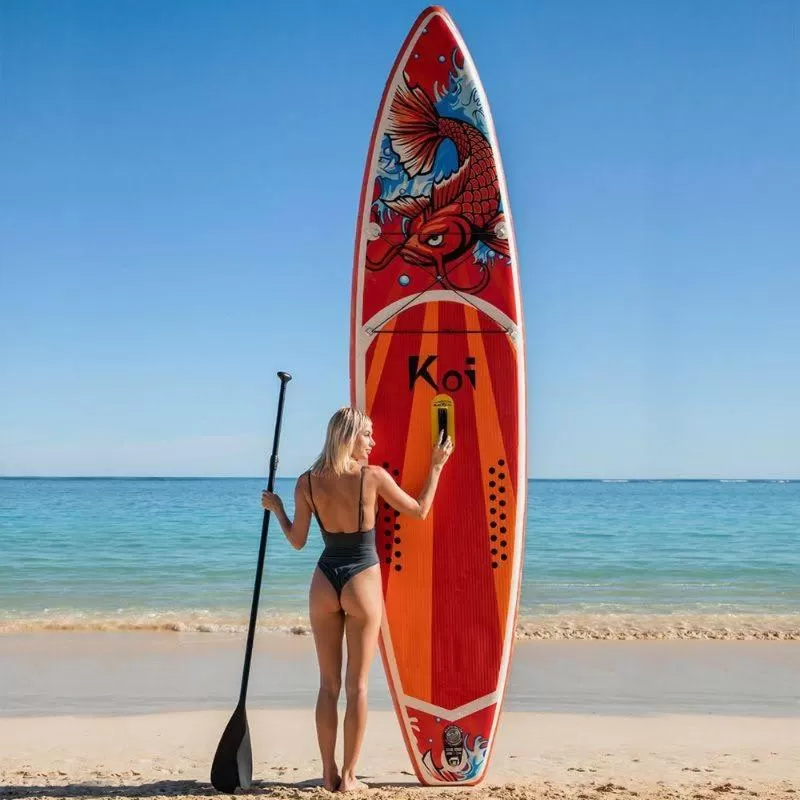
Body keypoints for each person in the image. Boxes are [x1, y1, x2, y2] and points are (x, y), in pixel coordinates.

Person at [261, 407, 453, 792]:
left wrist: (278, 509)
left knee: (327, 686)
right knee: (357, 688)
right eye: (368, 434)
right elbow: (418, 511)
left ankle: (328, 772)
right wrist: (436, 466)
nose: (373, 442)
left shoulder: (307, 482)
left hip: (323, 581)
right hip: (361, 580)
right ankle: (349, 777)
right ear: (349, 437)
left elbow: (298, 541)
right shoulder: (372, 477)